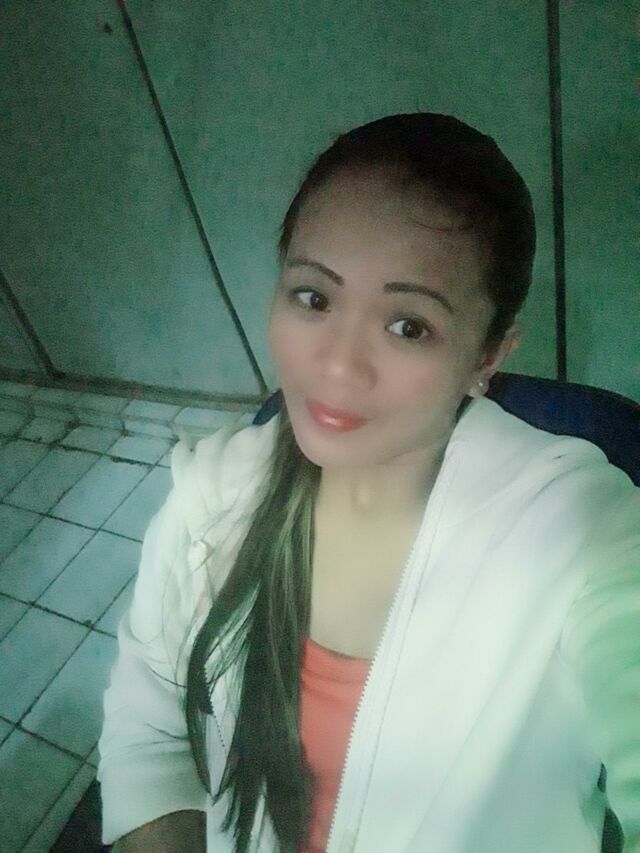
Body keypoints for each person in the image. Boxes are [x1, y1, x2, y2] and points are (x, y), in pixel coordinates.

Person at [98, 113, 639, 852]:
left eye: (407, 325)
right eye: (314, 298)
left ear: (487, 356)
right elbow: (148, 721)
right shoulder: (214, 493)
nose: (337, 365)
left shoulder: (575, 528)